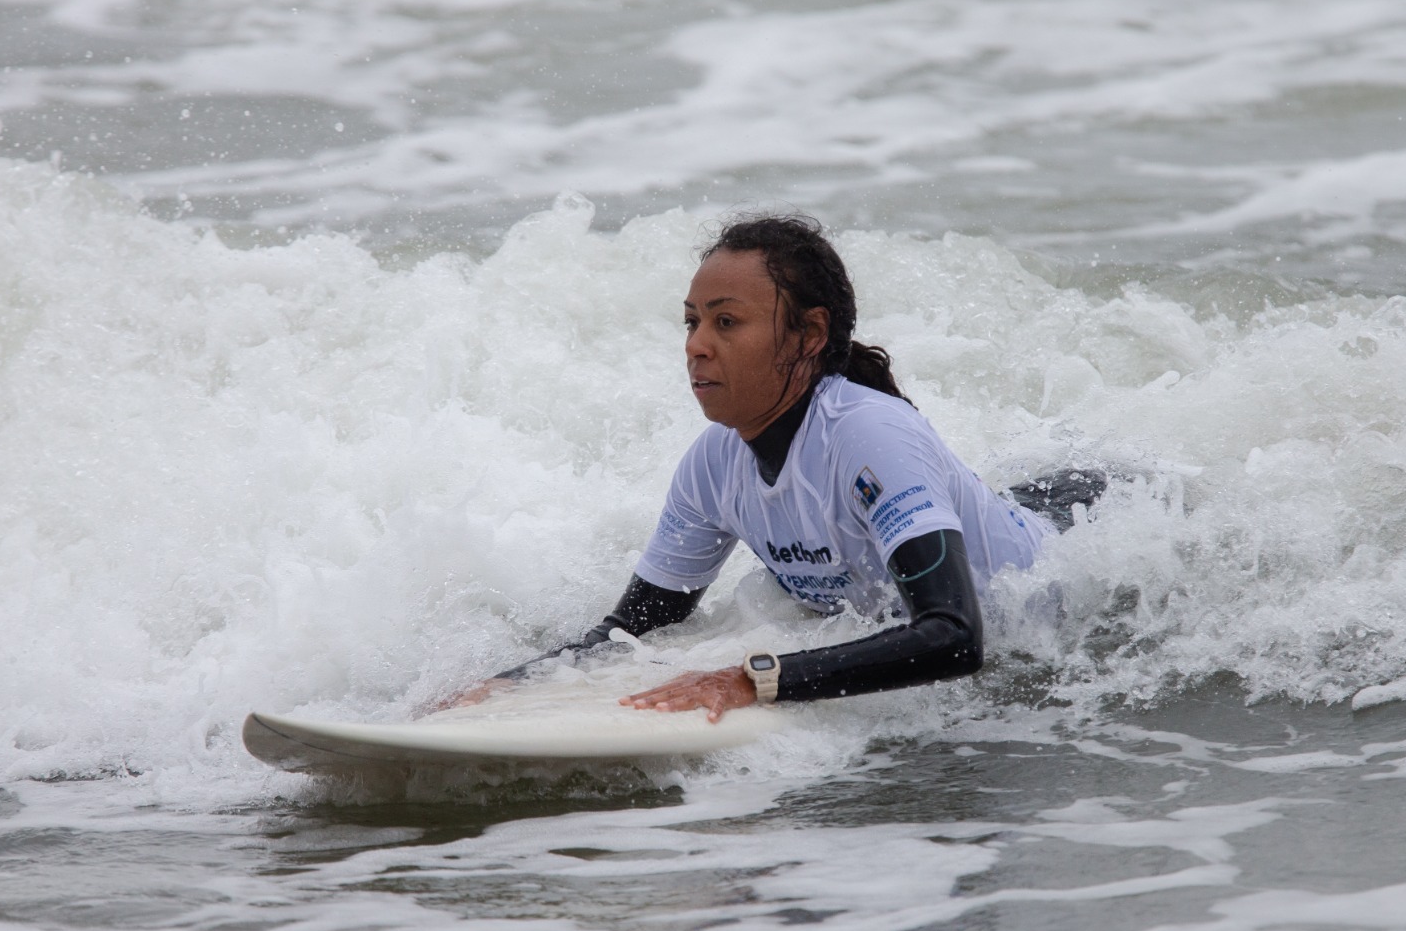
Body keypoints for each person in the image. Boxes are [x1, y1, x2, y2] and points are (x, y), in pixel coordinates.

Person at [457, 214, 1103, 721]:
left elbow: (955, 638)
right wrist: (507, 688)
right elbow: (634, 630)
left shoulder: (866, 436)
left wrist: (753, 679)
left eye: (727, 322)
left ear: (809, 334)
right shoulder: (713, 465)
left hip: (1087, 550)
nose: (696, 346)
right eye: (691, 322)